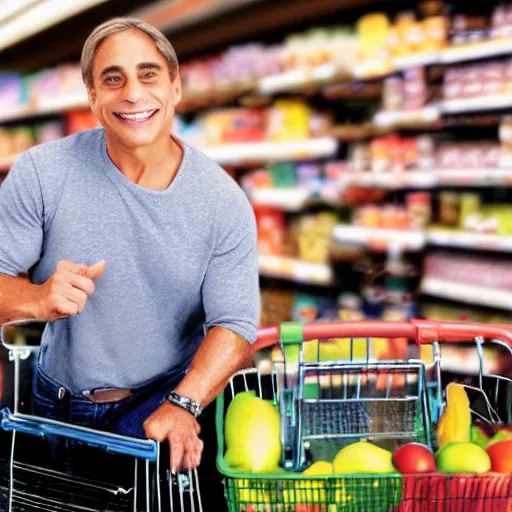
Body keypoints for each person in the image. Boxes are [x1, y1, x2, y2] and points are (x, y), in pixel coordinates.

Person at [0, 16, 260, 507]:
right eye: (112, 78)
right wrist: (36, 298)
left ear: (176, 86)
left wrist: (185, 402)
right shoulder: (41, 174)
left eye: (149, 74)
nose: (133, 93)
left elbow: (236, 325)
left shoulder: (222, 202)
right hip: (54, 408)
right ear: (92, 96)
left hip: (161, 407)